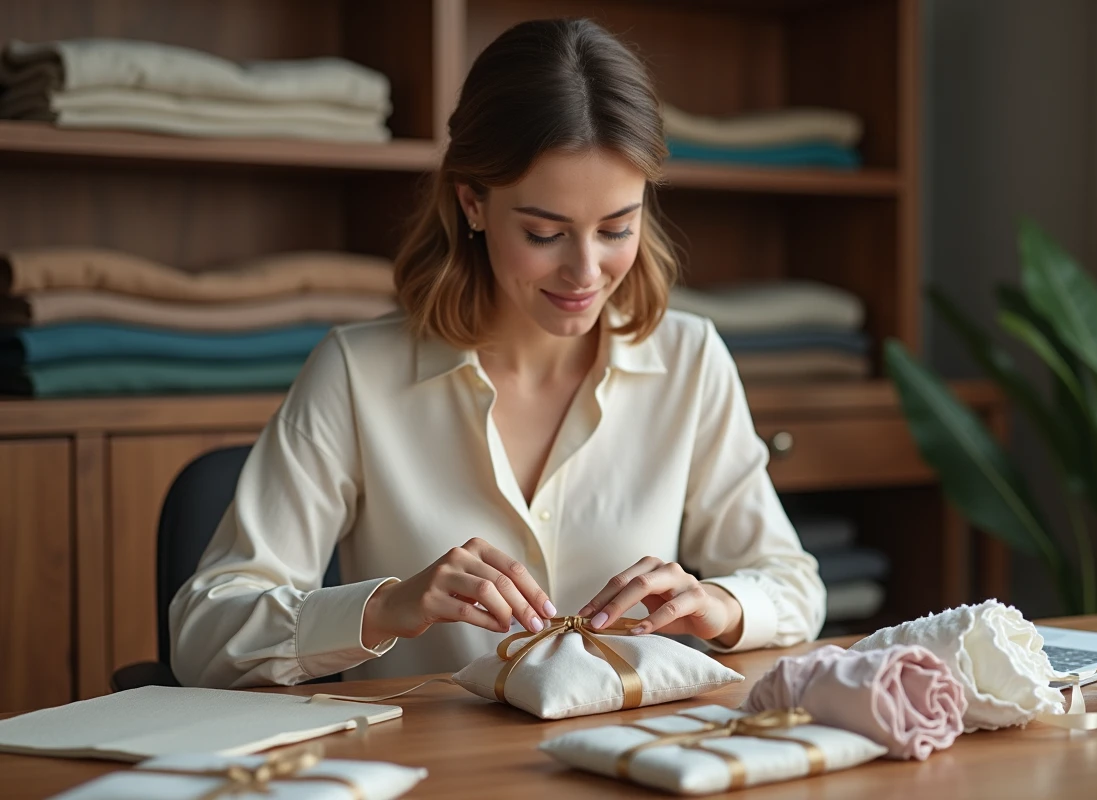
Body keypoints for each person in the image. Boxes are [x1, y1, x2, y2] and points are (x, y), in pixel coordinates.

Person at [169, 17, 826, 689]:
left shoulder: (690, 359)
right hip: (435, 753)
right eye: (545, 233)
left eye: (616, 229)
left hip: (634, 748)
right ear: (472, 203)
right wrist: (387, 607)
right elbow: (204, 631)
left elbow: (794, 586)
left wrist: (720, 605)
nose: (585, 272)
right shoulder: (356, 373)